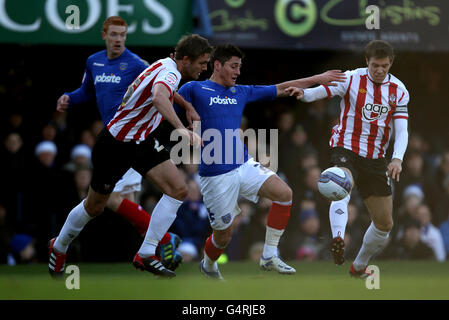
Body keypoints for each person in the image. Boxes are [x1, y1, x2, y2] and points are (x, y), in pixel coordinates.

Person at [48, 33, 213, 278]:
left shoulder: (165, 64)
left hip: (141, 140)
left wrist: (186, 105)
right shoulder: (171, 72)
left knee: (178, 189)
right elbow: (158, 96)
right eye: (202, 63)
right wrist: (182, 130)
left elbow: (160, 89)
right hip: (115, 144)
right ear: (186, 59)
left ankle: (146, 253)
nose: (204, 68)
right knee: (95, 206)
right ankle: (58, 246)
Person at [175, 43, 345, 279]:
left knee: (284, 193)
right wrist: (180, 128)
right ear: (217, 65)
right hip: (215, 176)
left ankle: (269, 255)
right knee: (223, 236)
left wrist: (318, 78)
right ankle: (208, 264)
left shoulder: (240, 91)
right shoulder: (194, 89)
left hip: (243, 165)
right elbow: (165, 101)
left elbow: (282, 88)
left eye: (239, 67)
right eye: (234, 66)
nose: (238, 72)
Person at [286, 40, 410, 277]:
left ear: (390, 63)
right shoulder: (352, 78)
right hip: (347, 148)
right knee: (341, 183)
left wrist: (397, 159)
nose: (380, 70)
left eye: (384, 65)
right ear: (367, 61)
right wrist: (304, 94)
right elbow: (323, 91)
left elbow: (402, 130)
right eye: (375, 65)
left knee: (385, 224)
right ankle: (338, 238)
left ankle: (359, 266)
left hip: (376, 159)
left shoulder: (400, 90)